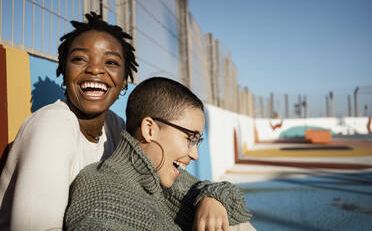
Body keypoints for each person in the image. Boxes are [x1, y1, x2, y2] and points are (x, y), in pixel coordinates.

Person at [0, 12, 138, 230]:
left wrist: (210, 196)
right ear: (64, 72)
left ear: (123, 82)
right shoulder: (52, 124)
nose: (95, 69)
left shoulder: (116, 126)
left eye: (111, 62)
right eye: (79, 59)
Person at [64, 77, 252, 230]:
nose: (195, 154)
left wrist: (213, 198)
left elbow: (234, 201)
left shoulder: (164, 176)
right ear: (149, 129)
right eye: (190, 138)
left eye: (197, 141)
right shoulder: (102, 193)